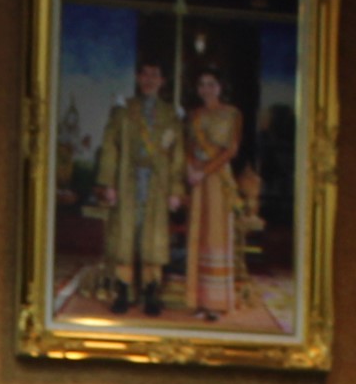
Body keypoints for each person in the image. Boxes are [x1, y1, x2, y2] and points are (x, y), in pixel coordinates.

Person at [96, 60, 183, 314]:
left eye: (154, 74)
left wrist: (176, 190)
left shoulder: (170, 114)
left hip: (157, 184)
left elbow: (177, 155)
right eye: (144, 74)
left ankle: (151, 291)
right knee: (125, 235)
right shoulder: (123, 111)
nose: (149, 79)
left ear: (162, 80)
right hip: (127, 180)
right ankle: (123, 290)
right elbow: (110, 146)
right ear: (137, 77)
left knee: (153, 237)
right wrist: (108, 183)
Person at [184, 70, 245, 319]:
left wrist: (204, 171)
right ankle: (200, 301)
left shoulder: (232, 114)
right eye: (202, 84)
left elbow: (231, 150)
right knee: (199, 235)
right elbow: (188, 145)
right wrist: (191, 168)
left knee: (216, 236)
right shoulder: (194, 116)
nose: (206, 89)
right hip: (198, 181)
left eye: (211, 84)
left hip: (218, 180)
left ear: (220, 87)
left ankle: (217, 304)